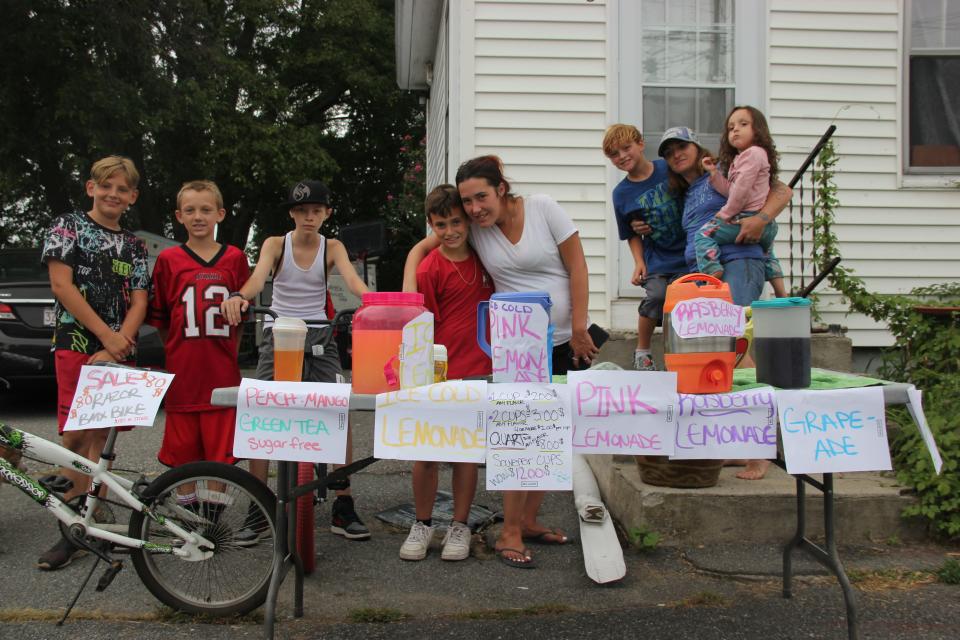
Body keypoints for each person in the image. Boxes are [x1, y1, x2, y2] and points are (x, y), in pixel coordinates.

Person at [404, 155, 598, 568]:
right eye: (468, 201)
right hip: (516, 345)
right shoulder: (475, 228)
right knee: (519, 436)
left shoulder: (543, 208)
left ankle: (527, 520)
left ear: (501, 189)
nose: (474, 209)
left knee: (550, 435)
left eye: (481, 197)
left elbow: (578, 265)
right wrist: (410, 274)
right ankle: (508, 530)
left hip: (564, 339)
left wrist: (580, 326)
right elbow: (432, 240)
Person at [220, 180, 371, 540]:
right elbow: (258, 279)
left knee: (337, 409)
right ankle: (258, 506)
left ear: (326, 214)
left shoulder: (332, 246)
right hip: (280, 334)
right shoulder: (276, 244)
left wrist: (378, 301)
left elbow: (352, 281)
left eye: (316, 210)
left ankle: (342, 500)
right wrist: (240, 295)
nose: (309, 217)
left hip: (320, 333)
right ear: (291, 213)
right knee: (262, 408)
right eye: (302, 211)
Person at [659, 127, 792, 481]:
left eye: (681, 146)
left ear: (696, 147)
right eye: (669, 151)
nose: (676, 154)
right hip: (706, 277)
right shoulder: (689, 189)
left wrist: (762, 219)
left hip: (737, 263)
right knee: (724, 355)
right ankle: (738, 446)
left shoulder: (722, 168)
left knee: (739, 349)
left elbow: (778, 190)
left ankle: (759, 451)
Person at [39, 155, 149, 570]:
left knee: (101, 436)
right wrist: (104, 335)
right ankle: (72, 513)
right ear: (91, 188)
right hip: (76, 338)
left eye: (122, 189)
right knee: (74, 433)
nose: (113, 194)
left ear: (132, 196)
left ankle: (86, 518)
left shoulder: (135, 245)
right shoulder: (67, 225)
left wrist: (120, 342)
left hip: (119, 347)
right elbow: (61, 285)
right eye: (107, 186)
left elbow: (140, 299)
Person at [399, 185, 494, 562]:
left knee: (465, 454)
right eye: (442, 224)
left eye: (457, 221)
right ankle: (422, 523)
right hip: (438, 371)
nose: (451, 230)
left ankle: (460, 525)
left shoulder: (487, 259)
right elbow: (422, 324)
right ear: (431, 225)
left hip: (478, 369)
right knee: (427, 453)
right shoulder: (429, 267)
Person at [146, 181, 250, 473]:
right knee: (183, 455)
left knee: (221, 456)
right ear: (179, 216)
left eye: (206, 209)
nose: (198, 216)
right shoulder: (168, 260)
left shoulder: (234, 258)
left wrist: (229, 351)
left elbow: (241, 320)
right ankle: (187, 515)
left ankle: (214, 515)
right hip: (184, 373)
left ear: (220, 214)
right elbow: (162, 321)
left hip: (222, 371)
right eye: (190, 210)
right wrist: (177, 349)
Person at [602, 124, 686, 371]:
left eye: (626, 148)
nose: (622, 156)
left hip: (688, 254)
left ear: (641, 144)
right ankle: (643, 352)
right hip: (658, 258)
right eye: (614, 154)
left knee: (683, 304)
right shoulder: (622, 194)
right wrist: (639, 262)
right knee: (656, 296)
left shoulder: (667, 168)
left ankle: (680, 357)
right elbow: (630, 233)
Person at [699, 106, 787, 298]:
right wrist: (714, 174)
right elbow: (733, 190)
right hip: (763, 223)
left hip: (746, 218)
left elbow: (740, 191)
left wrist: (725, 213)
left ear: (758, 130)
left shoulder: (753, 153)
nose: (735, 130)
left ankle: (712, 270)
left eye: (743, 124)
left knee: (704, 234)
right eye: (731, 128)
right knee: (767, 253)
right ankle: (781, 291)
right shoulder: (745, 158)